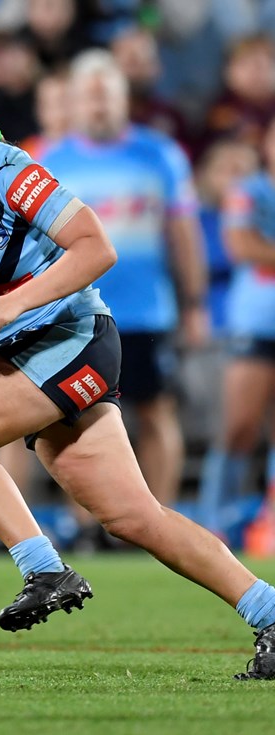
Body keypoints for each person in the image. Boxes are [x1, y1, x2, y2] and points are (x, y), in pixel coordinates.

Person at [0, 61, 275, 679]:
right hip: (37, 343)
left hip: (70, 336)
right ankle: (268, 611)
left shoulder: (10, 171)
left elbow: (97, 246)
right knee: (134, 517)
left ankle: (44, 569)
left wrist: (16, 302)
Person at [41, 50, 209, 527]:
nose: (99, 106)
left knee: (155, 412)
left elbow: (184, 235)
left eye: (107, 95)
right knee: (75, 420)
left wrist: (195, 303)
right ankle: (87, 527)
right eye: (90, 96)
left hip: (146, 312)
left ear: (123, 98)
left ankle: (163, 521)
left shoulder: (161, 155)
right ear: (74, 102)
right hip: (76, 315)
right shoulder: (51, 162)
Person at [198, 117, 275, 551]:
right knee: (239, 427)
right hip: (256, 321)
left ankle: (269, 521)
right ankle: (213, 521)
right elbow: (242, 246)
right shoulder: (248, 191)